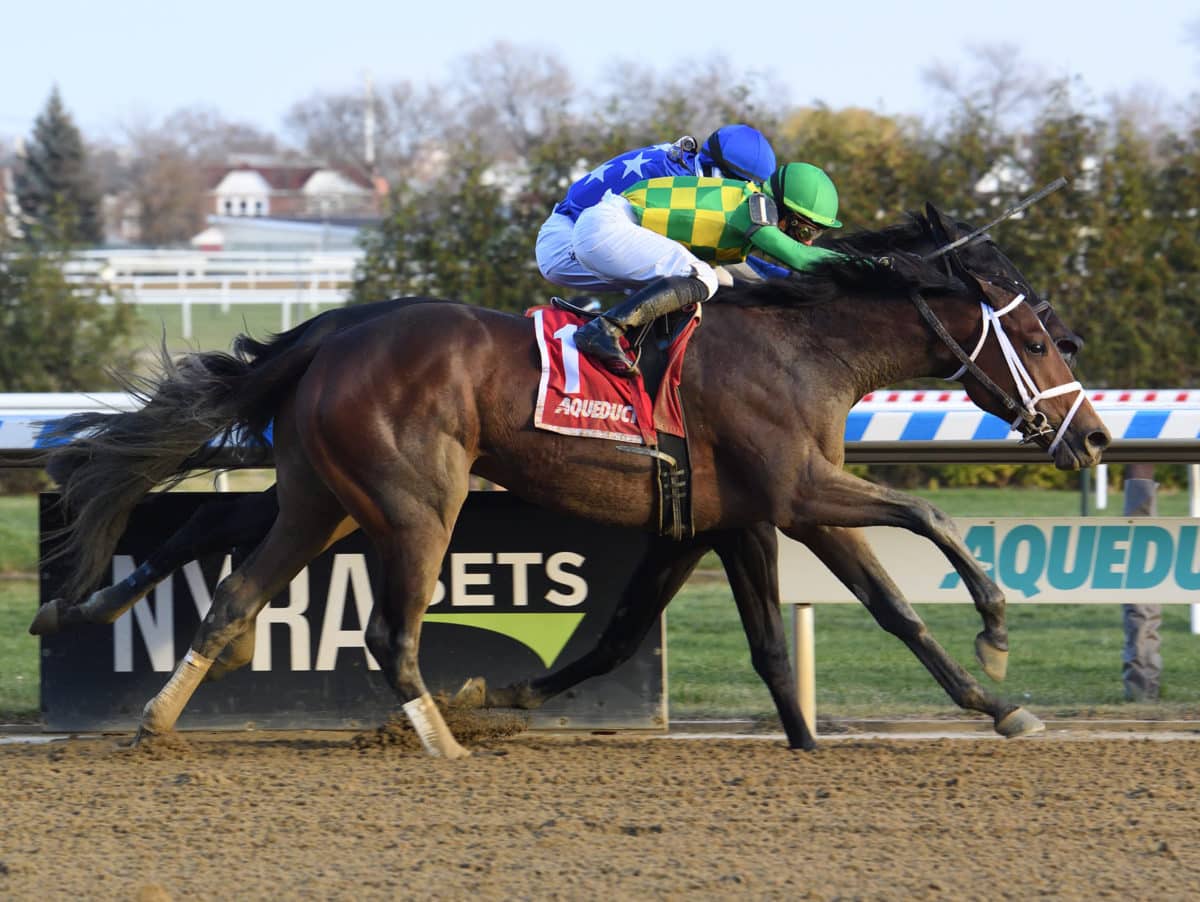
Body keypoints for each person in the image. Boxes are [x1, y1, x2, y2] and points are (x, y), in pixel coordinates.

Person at [570, 161, 849, 374]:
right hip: (607, 228)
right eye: (803, 230)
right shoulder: (752, 208)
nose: (809, 241)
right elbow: (799, 258)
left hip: (607, 227)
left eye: (817, 233)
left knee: (711, 278)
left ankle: (641, 345)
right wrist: (868, 265)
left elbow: (764, 273)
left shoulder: (747, 212)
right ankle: (604, 328)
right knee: (704, 277)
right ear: (785, 212)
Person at [536, 124, 777, 290]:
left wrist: (784, 277)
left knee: (710, 273)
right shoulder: (680, 183)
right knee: (709, 278)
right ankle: (610, 334)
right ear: (720, 174)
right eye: (744, 188)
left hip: (578, 229)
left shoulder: (688, 166)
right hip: (565, 243)